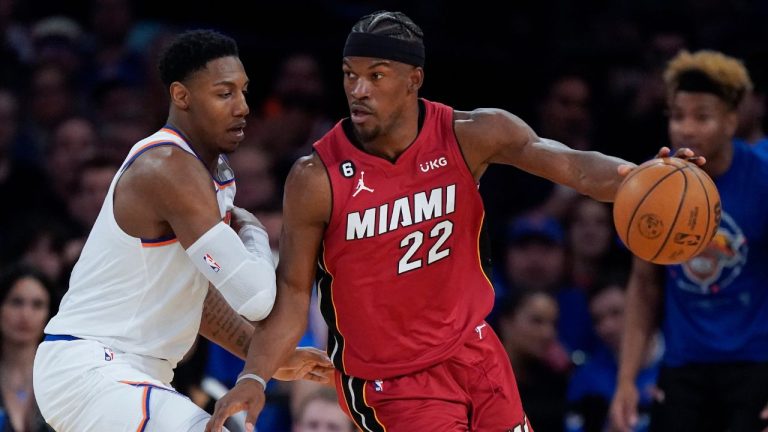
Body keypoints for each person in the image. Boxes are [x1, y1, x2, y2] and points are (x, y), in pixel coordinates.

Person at [206, 11, 701, 432]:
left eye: (376, 75)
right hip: (392, 381)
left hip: (474, 350)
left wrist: (645, 177)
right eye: (349, 74)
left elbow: (572, 165)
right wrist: (254, 376)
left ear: (414, 79)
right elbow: (294, 293)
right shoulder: (316, 177)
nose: (358, 89)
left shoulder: (471, 134)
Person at [32, 29, 332, 432]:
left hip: (128, 373)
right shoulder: (168, 168)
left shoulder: (212, 172)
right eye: (224, 94)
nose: (243, 106)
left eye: (244, 92)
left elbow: (196, 297)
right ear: (181, 95)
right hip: (93, 366)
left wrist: (266, 356)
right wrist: (254, 229)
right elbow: (257, 298)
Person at [610, 50, 768, 432]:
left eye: (702, 117)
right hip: (683, 365)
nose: (686, 129)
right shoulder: (653, 183)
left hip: (755, 363)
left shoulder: (763, 179)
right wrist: (626, 378)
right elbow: (644, 286)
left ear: (731, 121)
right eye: (678, 116)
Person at [565, 275, 661, 432]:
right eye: (598, 320)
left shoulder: (679, 365)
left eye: (616, 313)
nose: (607, 327)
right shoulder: (587, 378)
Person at [0, 264, 58, 432]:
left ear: (49, 314)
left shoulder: (61, 376)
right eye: (16, 302)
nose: (25, 315)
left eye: (37, 305)